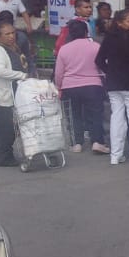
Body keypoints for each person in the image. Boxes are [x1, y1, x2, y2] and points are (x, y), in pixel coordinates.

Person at [96, 9, 129, 167]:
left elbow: (99, 60)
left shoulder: (109, 38)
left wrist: (110, 72)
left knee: (117, 118)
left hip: (113, 83)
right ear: (119, 22)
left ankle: (116, 155)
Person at [53, 18, 109, 155]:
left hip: (70, 86)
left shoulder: (64, 49)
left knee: (73, 115)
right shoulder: (96, 46)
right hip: (93, 85)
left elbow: (59, 72)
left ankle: (77, 143)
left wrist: (59, 87)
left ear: (70, 34)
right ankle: (97, 141)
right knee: (96, 114)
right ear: (86, 32)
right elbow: (103, 67)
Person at [0, 23, 28, 166]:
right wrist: (21, 75)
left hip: (10, 93)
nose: (11, 36)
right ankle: (4, 156)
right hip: (3, 95)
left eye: (13, 33)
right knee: (9, 127)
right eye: (7, 34)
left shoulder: (12, 48)